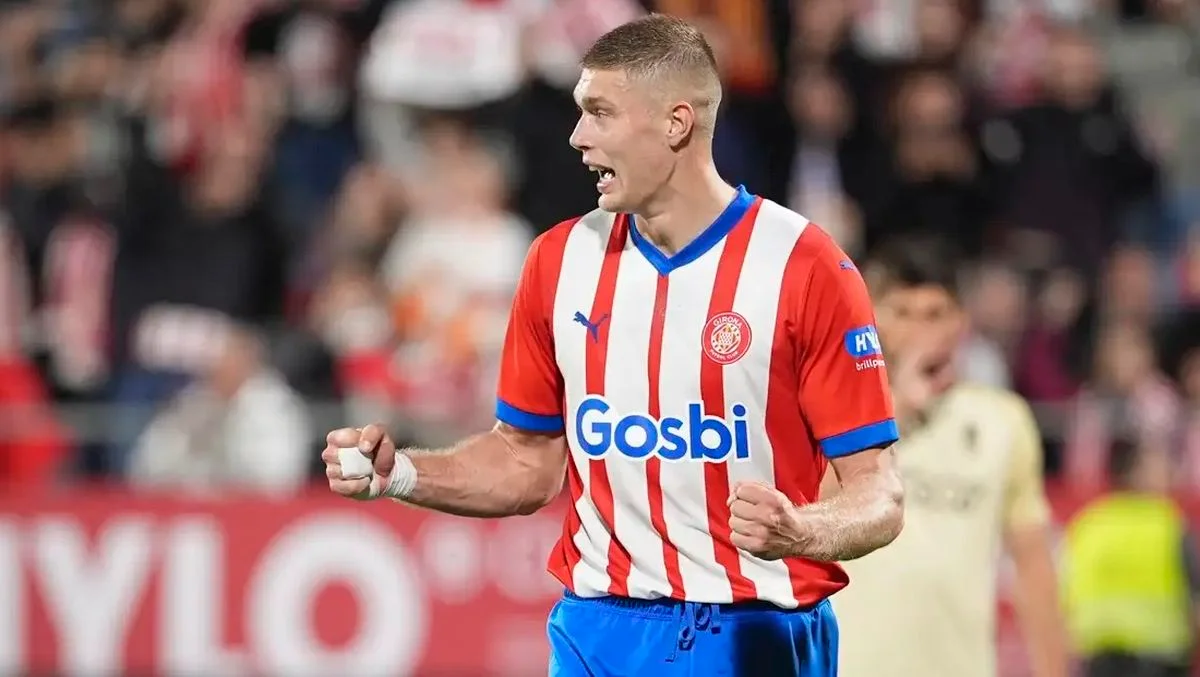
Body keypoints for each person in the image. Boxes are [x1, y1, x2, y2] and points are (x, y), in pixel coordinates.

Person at [321, 14, 905, 677]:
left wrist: (803, 531)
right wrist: (400, 473)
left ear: (676, 123)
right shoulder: (558, 261)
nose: (578, 136)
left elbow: (879, 493)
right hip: (596, 629)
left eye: (600, 113)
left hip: (752, 631)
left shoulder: (804, 266)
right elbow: (525, 462)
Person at [829, 236, 1070, 677]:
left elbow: (1033, 566)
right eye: (902, 313)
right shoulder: (834, 412)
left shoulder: (1002, 421)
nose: (919, 330)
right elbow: (808, 507)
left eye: (934, 314)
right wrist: (893, 406)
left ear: (960, 322)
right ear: (871, 316)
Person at [1062, 439, 1199, 677]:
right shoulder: (1170, 526)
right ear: (1136, 473)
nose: (1169, 472)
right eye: (1158, 465)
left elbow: (1062, 594)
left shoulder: (1088, 524)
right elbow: (1195, 601)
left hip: (1098, 661)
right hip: (1160, 660)